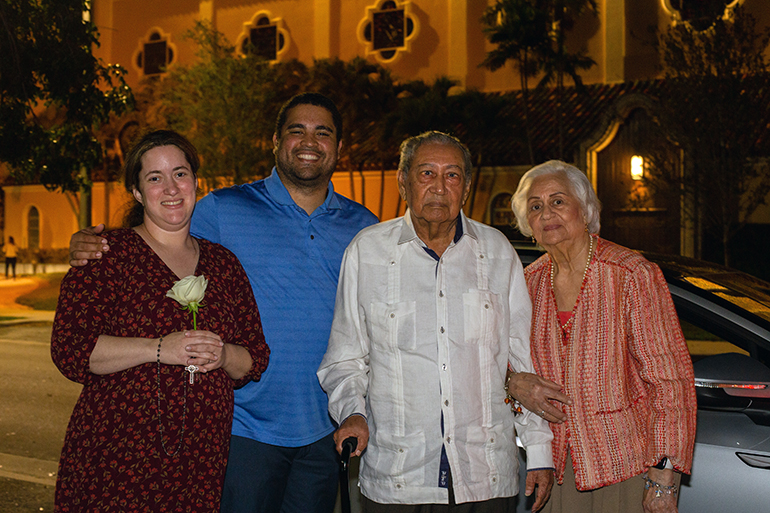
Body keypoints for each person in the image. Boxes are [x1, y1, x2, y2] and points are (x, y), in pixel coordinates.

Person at [67, 93, 380, 513]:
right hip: (241, 429)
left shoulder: (366, 227)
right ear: (274, 141)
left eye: (322, 132)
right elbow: (161, 227)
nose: (309, 141)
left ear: (339, 146)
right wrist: (91, 244)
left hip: (326, 427)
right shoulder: (224, 209)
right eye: (296, 130)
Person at [317, 131, 554, 512]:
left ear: (467, 187)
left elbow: (521, 359)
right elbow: (344, 359)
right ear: (403, 182)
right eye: (426, 173)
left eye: (452, 175)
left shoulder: (496, 252)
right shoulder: (368, 251)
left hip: (487, 476)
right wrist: (353, 413)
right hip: (398, 478)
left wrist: (539, 450)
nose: (439, 187)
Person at [51, 130, 270, 512]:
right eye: (155, 178)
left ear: (196, 183)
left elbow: (255, 358)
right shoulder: (107, 256)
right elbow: (71, 349)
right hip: (117, 460)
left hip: (200, 464)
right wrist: (158, 349)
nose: (171, 188)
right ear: (137, 192)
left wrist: (222, 355)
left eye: (180, 174)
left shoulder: (224, 265)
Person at [509, 160, 697, 513]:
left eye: (558, 201)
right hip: (555, 471)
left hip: (624, 467)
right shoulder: (526, 283)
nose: (546, 212)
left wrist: (664, 480)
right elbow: (501, 363)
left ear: (586, 209)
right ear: (528, 224)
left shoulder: (630, 274)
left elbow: (670, 381)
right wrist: (513, 382)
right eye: (535, 206)